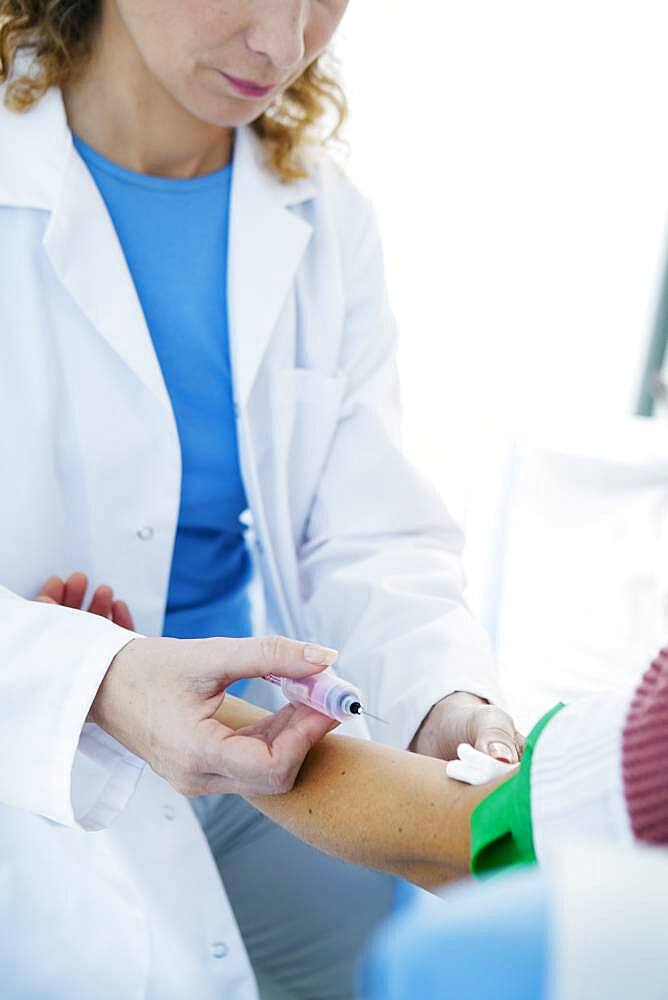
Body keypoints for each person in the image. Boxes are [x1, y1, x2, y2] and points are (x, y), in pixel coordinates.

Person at [0, 2, 521, 997]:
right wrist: (98, 674)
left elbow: (367, 534)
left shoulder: (319, 212)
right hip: (30, 754)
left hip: (252, 748)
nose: (282, 45)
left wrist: (447, 703)